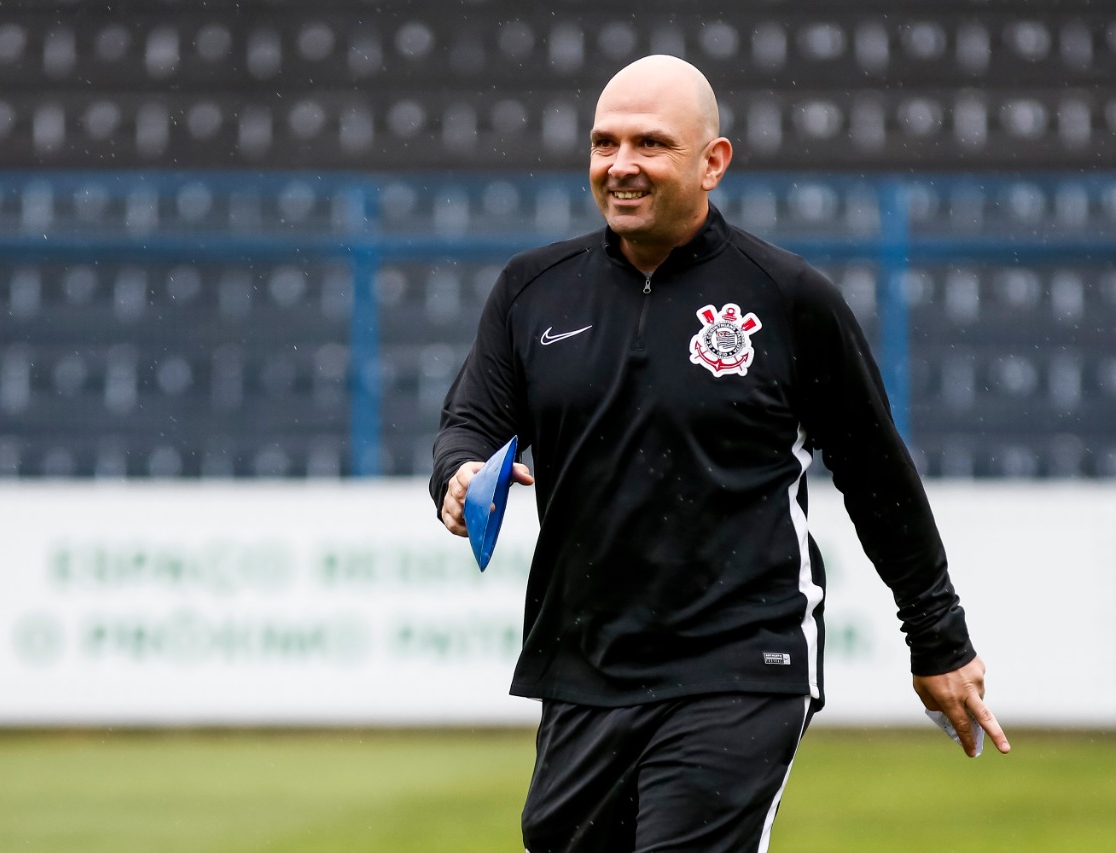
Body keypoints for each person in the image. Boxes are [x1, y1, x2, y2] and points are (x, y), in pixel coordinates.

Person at [429, 54, 1009, 852]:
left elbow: (876, 474)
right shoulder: (533, 290)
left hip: (742, 656)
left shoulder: (786, 296)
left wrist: (938, 635)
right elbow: (468, 422)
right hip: (585, 662)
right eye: (604, 144)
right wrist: (457, 474)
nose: (621, 166)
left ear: (714, 162)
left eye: (650, 144)